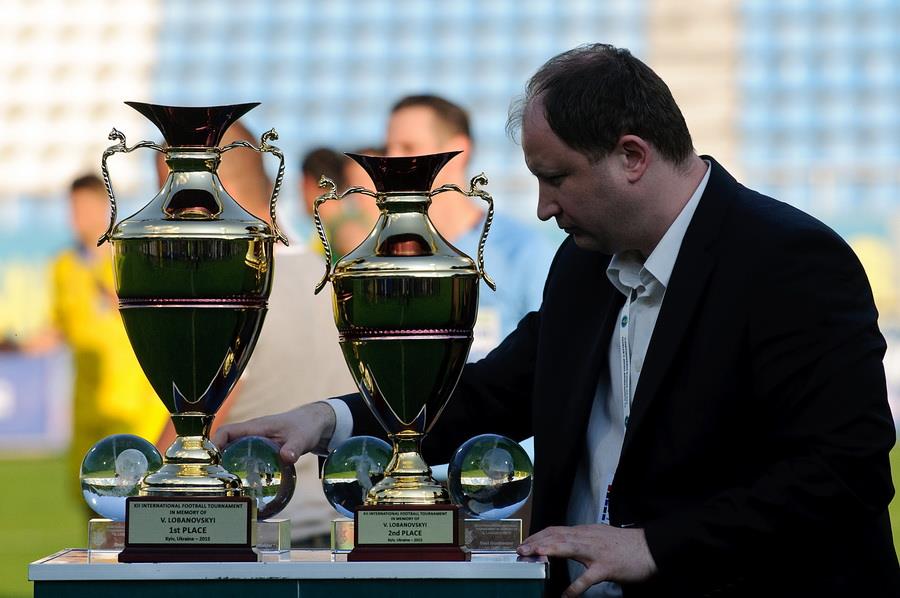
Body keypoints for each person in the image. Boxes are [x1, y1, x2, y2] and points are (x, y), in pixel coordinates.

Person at [216, 44, 899, 597]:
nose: (544, 207)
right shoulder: (583, 266)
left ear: (632, 157)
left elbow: (847, 472)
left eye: (557, 178)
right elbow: (493, 392)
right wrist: (328, 421)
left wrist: (655, 547)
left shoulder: (789, 261)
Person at [156, 123, 359, 546]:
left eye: (169, 198)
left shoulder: (228, 295)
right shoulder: (341, 278)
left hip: (258, 544)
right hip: (351, 534)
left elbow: (186, 444)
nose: (162, 215)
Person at [29, 174, 168, 509]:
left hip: (135, 405)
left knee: (137, 497)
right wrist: (16, 345)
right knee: (88, 494)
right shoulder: (63, 266)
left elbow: (160, 318)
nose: (79, 217)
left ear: (105, 207)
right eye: (73, 209)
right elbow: (60, 329)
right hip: (87, 404)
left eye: (85, 207)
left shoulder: (132, 258)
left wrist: (121, 302)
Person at [385, 95, 557, 360]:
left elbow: (550, 353)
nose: (391, 161)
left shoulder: (523, 250)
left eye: (409, 148)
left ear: (458, 152)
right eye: (388, 149)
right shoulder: (385, 253)